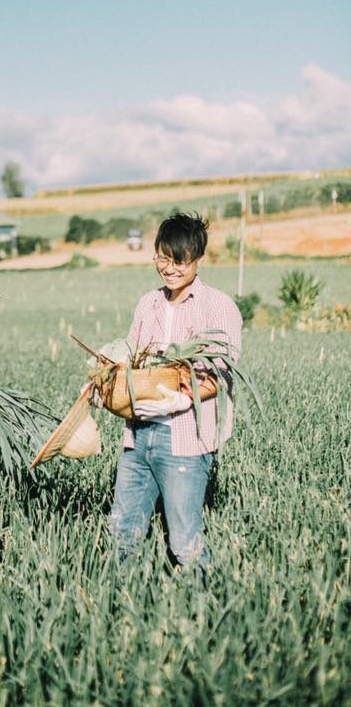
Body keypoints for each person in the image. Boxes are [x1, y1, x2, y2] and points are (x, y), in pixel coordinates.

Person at [108, 213, 242, 573]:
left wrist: (182, 399)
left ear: (198, 259)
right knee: (122, 534)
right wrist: (106, 383)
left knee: (184, 541)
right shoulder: (147, 304)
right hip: (137, 438)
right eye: (162, 258)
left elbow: (221, 373)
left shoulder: (218, 306)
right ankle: (119, 611)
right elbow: (131, 362)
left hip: (184, 439)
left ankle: (207, 610)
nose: (169, 268)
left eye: (178, 260)